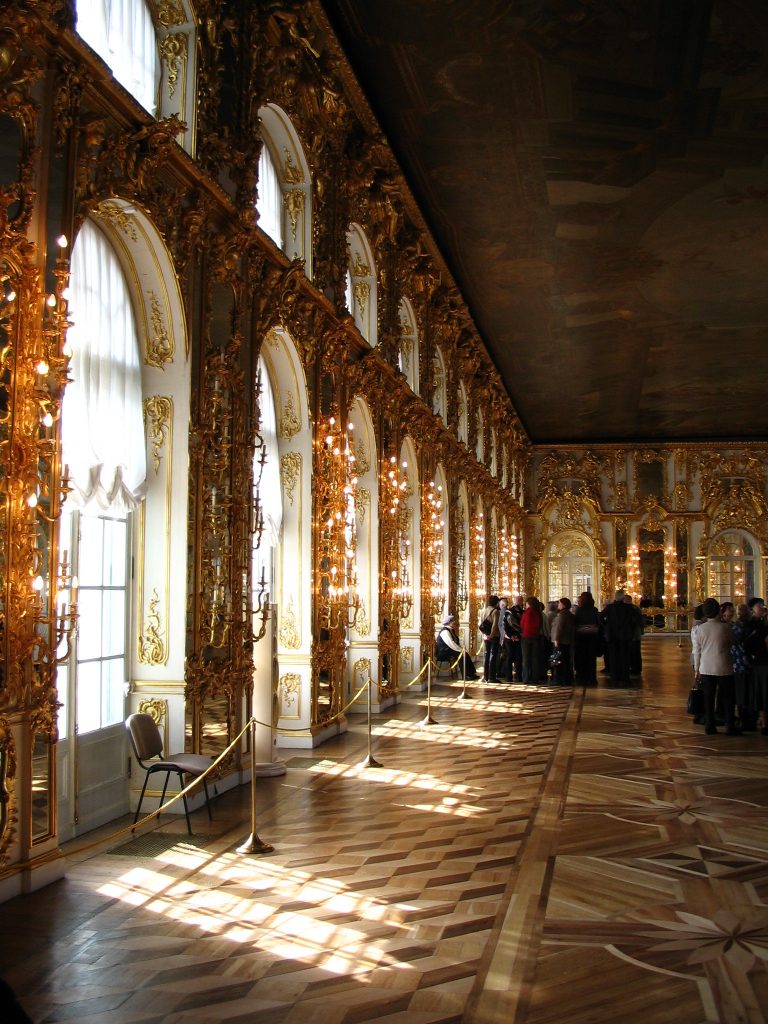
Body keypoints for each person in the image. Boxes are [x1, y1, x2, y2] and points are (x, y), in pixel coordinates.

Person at [692, 596, 740, 735]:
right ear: (718, 611)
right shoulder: (725, 627)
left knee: (708, 697)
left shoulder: (700, 629)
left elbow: (697, 651)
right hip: (724, 665)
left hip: (706, 667)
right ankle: (730, 726)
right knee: (728, 698)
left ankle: (710, 726)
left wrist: (697, 669)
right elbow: (732, 643)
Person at [744, 597, 768, 735]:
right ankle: (764, 722)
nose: (763, 608)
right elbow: (748, 645)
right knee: (762, 693)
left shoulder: (763, 623)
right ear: (752, 609)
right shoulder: (751, 625)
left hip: (763, 661)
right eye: (760, 606)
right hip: (759, 663)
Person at [602, 590, 634, 685]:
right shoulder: (628, 607)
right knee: (625, 658)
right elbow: (634, 619)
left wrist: (606, 626)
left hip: (612, 636)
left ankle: (615, 678)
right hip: (625, 636)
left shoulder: (610, 607)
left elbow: (600, 617)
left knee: (613, 657)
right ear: (623, 597)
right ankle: (625, 678)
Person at [436, 614, 478, 679]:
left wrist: (461, 649)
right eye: (453, 621)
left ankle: (471, 673)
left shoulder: (450, 630)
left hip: (450, 650)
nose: (455, 623)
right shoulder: (445, 632)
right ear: (449, 622)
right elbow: (451, 643)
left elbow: (455, 642)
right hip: (444, 652)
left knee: (466, 654)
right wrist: (460, 650)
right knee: (461, 655)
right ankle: (465, 676)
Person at [574, 591, 600, 685]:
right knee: (591, 659)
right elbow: (598, 623)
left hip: (581, 637)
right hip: (592, 637)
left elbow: (576, 622)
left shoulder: (579, 610)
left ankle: (581, 678)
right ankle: (592, 678)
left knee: (581, 659)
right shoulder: (594, 610)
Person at [550, 596, 575, 684]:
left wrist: (556, 640)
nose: (558, 605)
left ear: (563, 605)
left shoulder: (562, 615)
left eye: (559, 603)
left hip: (560, 641)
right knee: (565, 660)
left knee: (557, 661)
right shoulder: (569, 614)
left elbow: (559, 628)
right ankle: (566, 679)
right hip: (567, 641)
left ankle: (558, 679)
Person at [520, 596, 543, 683]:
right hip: (536, 637)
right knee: (535, 659)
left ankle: (526, 678)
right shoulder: (538, 612)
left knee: (526, 659)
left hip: (526, 637)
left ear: (528, 604)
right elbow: (540, 625)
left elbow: (522, 624)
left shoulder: (527, 612)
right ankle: (535, 678)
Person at [479, 594, 501, 682]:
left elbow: (480, 624)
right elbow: (494, 625)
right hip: (493, 636)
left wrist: (485, 634)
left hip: (485, 635)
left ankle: (485, 676)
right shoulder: (495, 611)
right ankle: (492, 677)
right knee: (493, 656)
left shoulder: (483, 610)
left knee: (486, 655)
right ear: (497, 602)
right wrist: (491, 635)